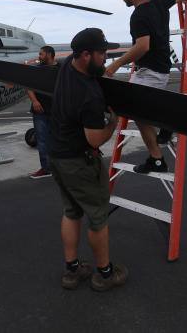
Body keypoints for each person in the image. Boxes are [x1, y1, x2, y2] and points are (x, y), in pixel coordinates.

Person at [49, 28, 128, 292]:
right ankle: (104, 274)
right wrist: (113, 125)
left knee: (71, 212)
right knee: (97, 217)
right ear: (86, 55)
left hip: (57, 155)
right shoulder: (90, 94)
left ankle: (72, 271)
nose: (106, 59)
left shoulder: (65, 68)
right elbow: (94, 140)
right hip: (79, 161)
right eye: (102, 54)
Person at [105, 0, 183, 174]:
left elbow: (142, 47)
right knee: (138, 114)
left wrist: (114, 66)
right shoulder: (159, 2)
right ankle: (157, 158)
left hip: (151, 72)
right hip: (156, 69)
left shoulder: (138, 16)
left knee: (133, 107)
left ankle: (168, 122)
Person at [27, 45, 57, 179]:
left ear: (50, 55)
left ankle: (57, 167)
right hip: (40, 111)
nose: (39, 57)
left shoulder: (60, 69)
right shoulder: (36, 70)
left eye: (41, 54)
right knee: (42, 140)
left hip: (56, 110)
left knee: (57, 139)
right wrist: (34, 101)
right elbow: (28, 86)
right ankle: (46, 168)